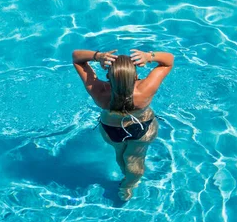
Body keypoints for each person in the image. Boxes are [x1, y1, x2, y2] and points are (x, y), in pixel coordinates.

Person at [72, 48, 174, 201]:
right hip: (142, 129)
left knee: (120, 154)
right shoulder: (145, 89)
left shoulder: (99, 91)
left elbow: (76, 58)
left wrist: (98, 56)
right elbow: (168, 62)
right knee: (135, 158)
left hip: (111, 131)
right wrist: (148, 56)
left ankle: (125, 173)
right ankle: (128, 186)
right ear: (136, 75)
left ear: (108, 76)